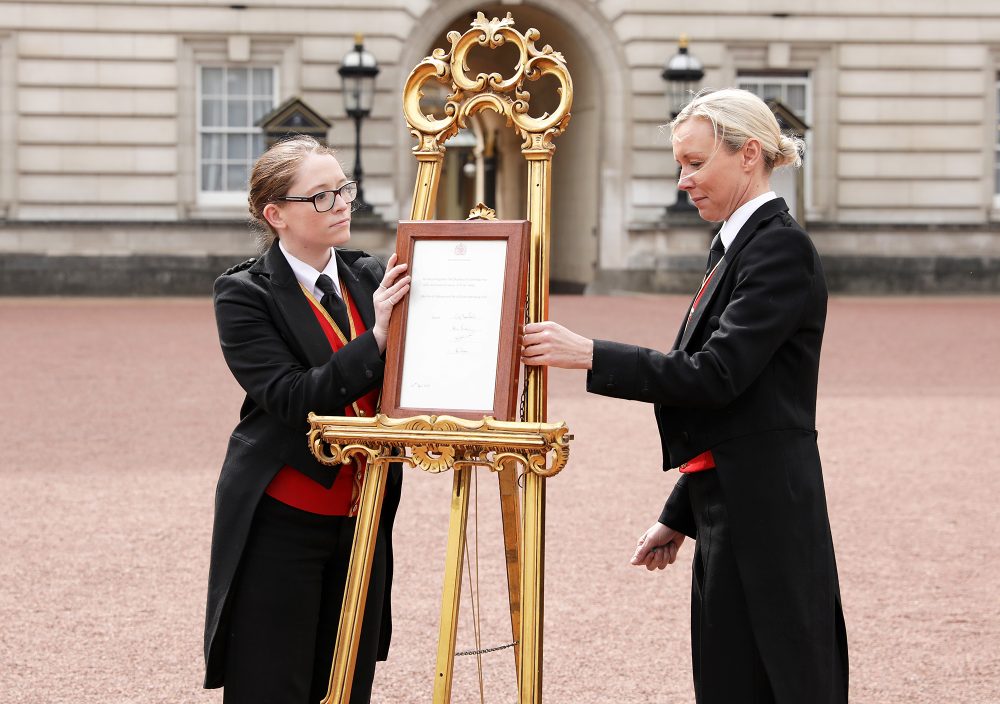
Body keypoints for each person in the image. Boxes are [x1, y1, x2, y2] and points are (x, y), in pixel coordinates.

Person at [521, 88, 848, 703]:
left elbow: (714, 376)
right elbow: (737, 409)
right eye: (681, 165)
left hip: (768, 519)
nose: (683, 180)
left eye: (696, 164)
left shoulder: (777, 247)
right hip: (734, 505)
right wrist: (681, 512)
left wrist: (588, 354)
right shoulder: (736, 247)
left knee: (781, 683)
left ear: (748, 154)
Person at [203, 135, 410, 704]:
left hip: (364, 515)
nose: (342, 202)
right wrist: (379, 338)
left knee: (347, 683)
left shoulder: (372, 276)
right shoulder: (244, 293)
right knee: (273, 684)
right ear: (276, 216)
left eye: (343, 188)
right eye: (321, 196)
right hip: (281, 518)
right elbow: (293, 397)